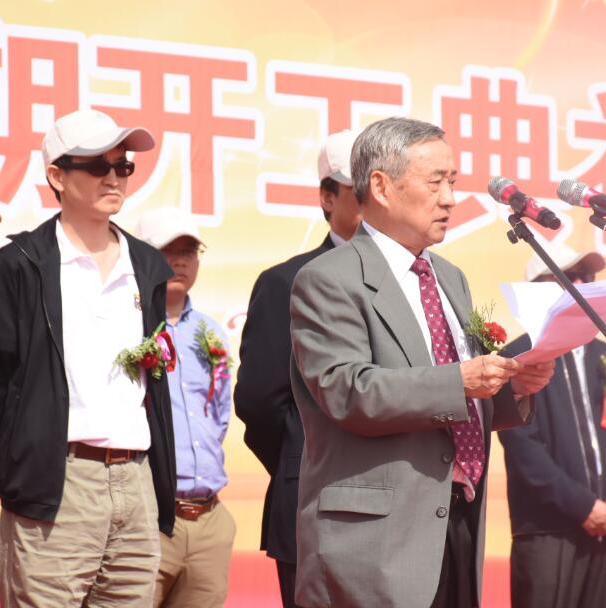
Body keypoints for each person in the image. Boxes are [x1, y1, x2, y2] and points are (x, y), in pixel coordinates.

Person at [288, 116, 555, 608]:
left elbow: (457, 400)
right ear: (381, 187)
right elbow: (348, 391)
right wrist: (461, 381)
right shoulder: (329, 278)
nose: (450, 199)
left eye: (453, 182)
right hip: (376, 543)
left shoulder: (450, 277)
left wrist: (510, 389)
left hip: (456, 523)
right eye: (436, 183)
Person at [0, 109, 176, 606]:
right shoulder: (21, 264)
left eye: (123, 166)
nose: (114, 178)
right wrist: (26, 462)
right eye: (97, 166)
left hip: (135, 481)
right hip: (57, 481)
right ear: (57, 176)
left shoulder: (147, 264)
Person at [234, 129, 362, 607]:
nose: (374, 201)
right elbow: (259, 402)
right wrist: (301, 460)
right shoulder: (286, 281)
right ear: (328, 197)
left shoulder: (415, 280)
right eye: (358, 190)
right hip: (314, 501)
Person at [498, 243, 606, 608]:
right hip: (548, 531)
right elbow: (523, 448)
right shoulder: (518, 359)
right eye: (570, 277)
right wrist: (584, 507)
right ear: (537, 287)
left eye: (587, 277)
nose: (583, 285)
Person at [134, 208, 236, 607]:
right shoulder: (127, 326)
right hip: (148, 518)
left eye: (188, 251)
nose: (179, 261)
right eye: (168, 250)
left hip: (209, 519)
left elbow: (219, 415)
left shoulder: (210, 332)